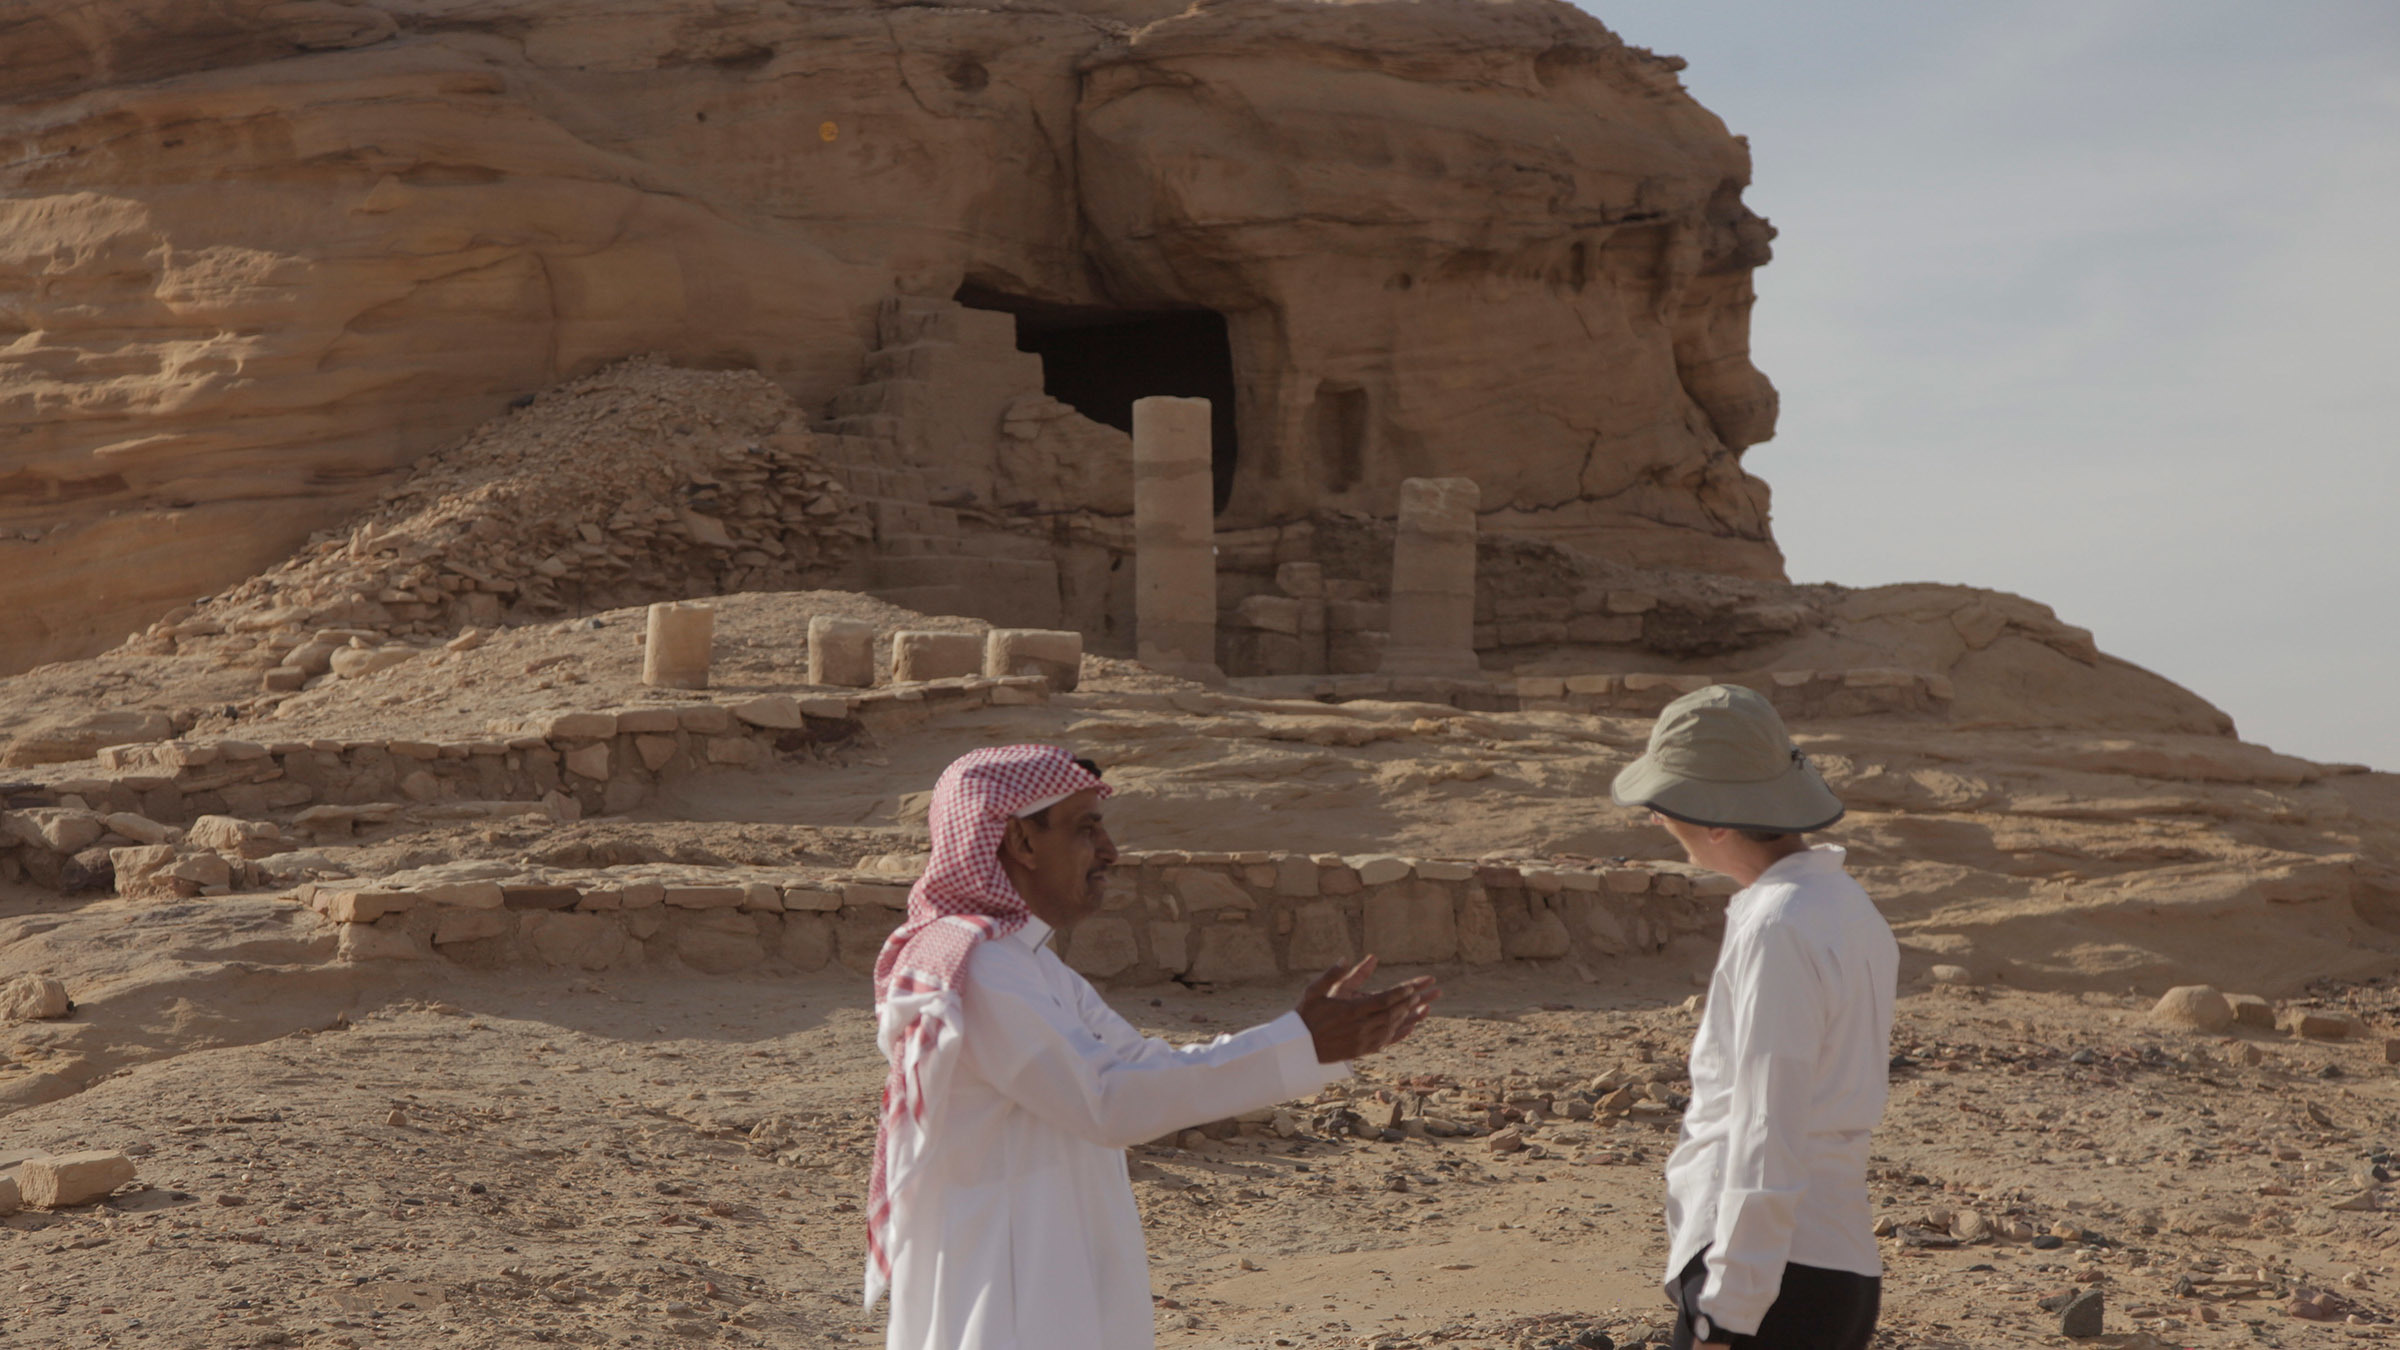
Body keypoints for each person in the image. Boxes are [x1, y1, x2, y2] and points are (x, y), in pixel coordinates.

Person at [865, 743, 1439, 1350]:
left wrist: (1306, 1043)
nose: (1110, 851)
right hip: (1003, 1290)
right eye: (1086, 829)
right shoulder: (981, 969)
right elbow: (1107, 1102)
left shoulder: (1033, 967)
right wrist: (1301, 1041)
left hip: (1053, 1273)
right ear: (1021, 842)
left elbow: (1143, 1067)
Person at [1610, 685, 1898, 1350]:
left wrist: (1728, 1310)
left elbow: (1769, 1126)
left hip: (1770, 1282)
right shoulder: (1845, 907)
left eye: (1667, 804)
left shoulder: (1780, 925)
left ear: (1717, 820)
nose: (1657, 819)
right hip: (1831, 1264)